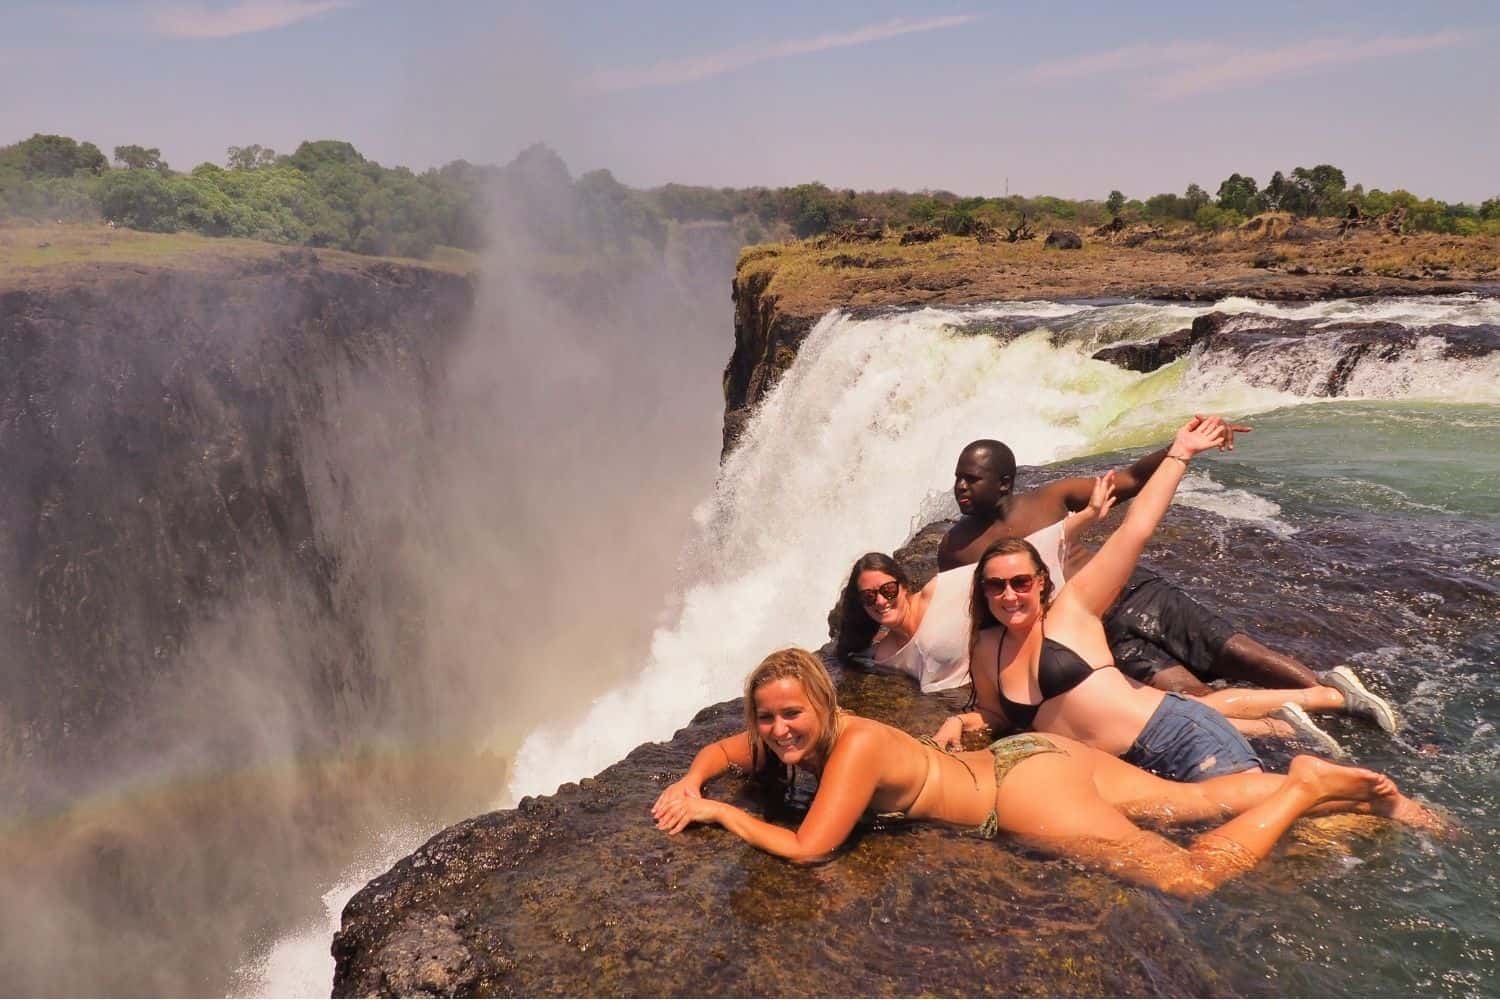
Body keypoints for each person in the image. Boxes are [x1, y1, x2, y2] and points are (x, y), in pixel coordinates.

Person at [652, 648, 1434, 900]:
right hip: (1031, 756)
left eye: (791, 715)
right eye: (768, 717)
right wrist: (693, 779)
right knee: (1192, 801)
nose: (778, 729)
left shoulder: (850, 751)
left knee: (1193, 877)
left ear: (821, 705)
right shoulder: (818, 736)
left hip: (1019, 796)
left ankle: (1301, 785)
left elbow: (811, 848)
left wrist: (723, 816)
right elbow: (728, 752)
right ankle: (1389, 808)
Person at [943, 417, 1374, 784]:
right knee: (1190, 696)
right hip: (1094, 637)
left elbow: (1130, 484)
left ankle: (1341, 701)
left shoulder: (1051, 498)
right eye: (958, 478)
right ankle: (1288, 733)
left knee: (1245, 657)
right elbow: (960, 611)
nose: (960, 487)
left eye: (971, 478)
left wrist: (1180, 448)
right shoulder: (955, 548)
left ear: (1003, 482)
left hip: (1133, 595)